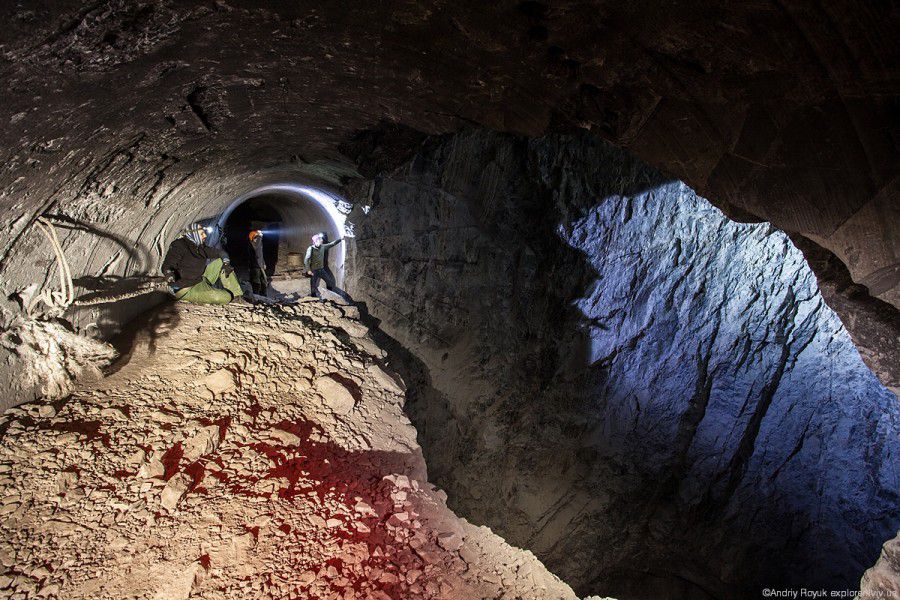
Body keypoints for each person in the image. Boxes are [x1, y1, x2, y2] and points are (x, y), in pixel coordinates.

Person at [162, 223, 244, 304]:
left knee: (220, 262)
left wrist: (226, 263)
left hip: (199, 280)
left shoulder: (199, 247)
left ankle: (236, 297)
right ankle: (188, 298)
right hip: (185, 288)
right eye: (202, 233)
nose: (205, 236)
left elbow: (221, 253)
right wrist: (169, 274)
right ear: (194, 233)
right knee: (226, 297)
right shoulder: (179, 245)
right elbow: (167, 265)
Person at [305, 233, 352, 302]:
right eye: (320, 239)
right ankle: (313, 298)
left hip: (321, 269)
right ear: (316, 241)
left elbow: (332, 244)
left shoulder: (323, 247)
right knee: (313, 284)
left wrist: (340, 239)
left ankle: (330, 294)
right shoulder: (310, 249)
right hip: (314, 270)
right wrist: (308, 270)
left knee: (330, 282)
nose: (322, 240)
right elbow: (306, 259)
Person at [248, 230, 268, 296]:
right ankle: (256, 295)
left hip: (260, 264)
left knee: (263, 279)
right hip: (255, 265)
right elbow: (257, 244)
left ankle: (263, 294)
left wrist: (264, 263)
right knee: (256, 281)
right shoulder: (253, 245)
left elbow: (261, 255)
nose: (257, 239)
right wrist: (259, 236)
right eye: (255, 238)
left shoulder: (258, 245)